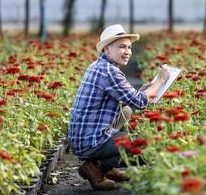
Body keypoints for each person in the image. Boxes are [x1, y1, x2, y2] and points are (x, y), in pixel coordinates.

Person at [68, 24, 169, 190]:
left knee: (126, 111)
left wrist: (144, 89)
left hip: (83, 136)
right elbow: (140, 102)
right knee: (145, 147)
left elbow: (129, 98)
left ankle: (107, 167)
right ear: (107, 50)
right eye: (121, 47)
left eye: (129, 47)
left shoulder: (99, 65)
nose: (127, 51)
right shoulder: (109, 72)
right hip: (90, 141)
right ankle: (98, 168)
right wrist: (161, 80)